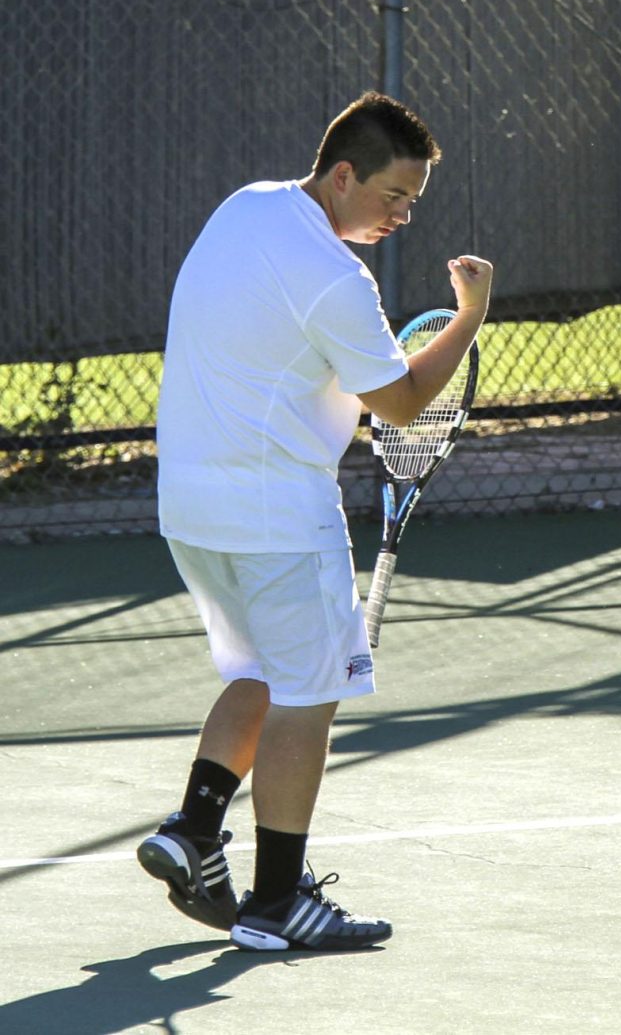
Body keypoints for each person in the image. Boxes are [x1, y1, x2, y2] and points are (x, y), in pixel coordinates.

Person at [138, 92, 492, 952]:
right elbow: (402, 402)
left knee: (263, 670)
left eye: (414, 203)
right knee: (309, 695)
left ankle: (194, 829)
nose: (402, 217)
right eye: (393, 198)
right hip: (276, 516)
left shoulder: (244, 207)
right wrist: (472, 316)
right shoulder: (337, 278)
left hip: (189, 504)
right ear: (343, 174)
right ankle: (275, 902)